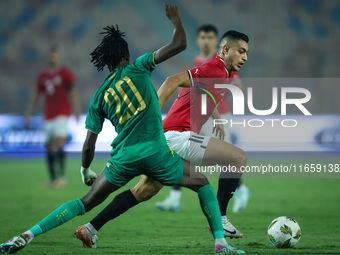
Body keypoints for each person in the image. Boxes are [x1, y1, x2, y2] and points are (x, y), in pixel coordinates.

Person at [0, 4, 243, 255]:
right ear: (126, 56)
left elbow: (89, 144)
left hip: (124, 158)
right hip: (158, 154)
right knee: (202, 184)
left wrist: (85, 170)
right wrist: (175, 20)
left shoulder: (99, 96)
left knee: (85, 202)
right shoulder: (138, 67)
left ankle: (27, 235)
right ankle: (220, 245)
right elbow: (179, 44)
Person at [73, 30, 249, 252]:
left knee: (143, 191)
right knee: (237, 157)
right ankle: (221, 219)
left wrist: (217, 120)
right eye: (241, 52)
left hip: (166, 139)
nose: (244, 57)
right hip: (178, 135)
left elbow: (198, 94)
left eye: (247, 53)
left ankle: (90, 228)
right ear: (225, 50)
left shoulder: (222, 73)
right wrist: (152, 111)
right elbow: (172, 80)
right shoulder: (214, 68)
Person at [156, 25, 251, 215]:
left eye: (209, 37)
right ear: (199, 40)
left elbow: (237, 88)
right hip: (202, 115)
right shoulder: (201, 61)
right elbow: (193, 88)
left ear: (217, 42)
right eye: (202, 37)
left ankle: (240, 190)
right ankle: (176, 199)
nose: (205, 41)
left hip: (219, 116)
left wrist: (216, 108)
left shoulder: (229, 64)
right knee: (184, 153)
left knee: (230, 159)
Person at [24, 45, 81, 189]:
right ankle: (53, 179)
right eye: (51, 55)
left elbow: (74, 92)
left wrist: (77, 111)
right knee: (48, 147)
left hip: (62, 113)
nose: (53, 57)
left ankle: (61, 178)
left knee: (60, 142)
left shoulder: (65, 73)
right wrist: (29, 113)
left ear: (59, 56)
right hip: (48, 115)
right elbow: (37, 96)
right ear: (48, 57)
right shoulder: (43, 75)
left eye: (55, 55)